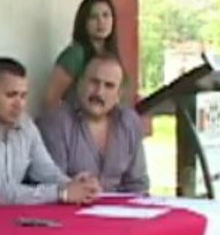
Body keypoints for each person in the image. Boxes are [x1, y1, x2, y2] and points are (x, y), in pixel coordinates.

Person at [0, 57, 101, 205]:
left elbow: (46, 171)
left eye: (23, 96)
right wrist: (61, 193)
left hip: (10, 215)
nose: (19, 104)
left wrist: (76, 185)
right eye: (11, 95)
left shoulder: (25, 124)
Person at [39, 52, 149, 194]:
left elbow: (138, 185)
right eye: (94, 82)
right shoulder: (56, 123)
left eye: (109, 86)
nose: (99, 92)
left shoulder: (129, 122)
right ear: (80, 84)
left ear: (119, 95)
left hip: (119, 206)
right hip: (72, 206)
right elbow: (52, 185)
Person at [44, 0, 124, 110]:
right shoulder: (75, 55)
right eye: (93, 17)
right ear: (84, 22)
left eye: (106, 15)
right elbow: (51, 99)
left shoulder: (112, 55)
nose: (101, 22)